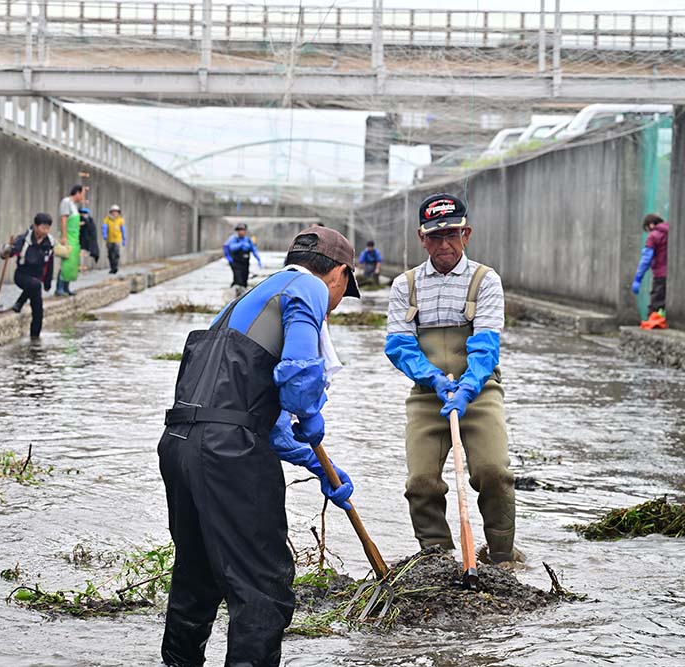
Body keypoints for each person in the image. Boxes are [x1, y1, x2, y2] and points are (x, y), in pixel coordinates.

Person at [158, 226, 361, 667]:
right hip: (229, 454)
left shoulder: (248, 300)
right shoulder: (308, 286)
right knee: (263, 588)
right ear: (339, 274)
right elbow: (300, 372)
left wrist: (320, 465)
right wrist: (308, 413)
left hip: (180, 444)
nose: (341, 301)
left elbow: (250, 417)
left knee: (196, 578)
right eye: (347, 289)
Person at [385, 193, 521, 565]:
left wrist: (467, 387)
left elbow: (486, 344)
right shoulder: (405, 285)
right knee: (421, 482)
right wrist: (432, 378)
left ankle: (501, 556)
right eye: (435, 237)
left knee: (493, 473)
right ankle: (437, 557)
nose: (444, 244)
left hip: (479, 392)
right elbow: (398, 345)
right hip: (428, 394)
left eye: (452, 235)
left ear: (467, 234)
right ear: (421, 238)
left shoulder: (485, 280)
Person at [0, 213, 54, 338]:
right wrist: (6, 251)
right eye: (43, 227)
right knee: (35, 285)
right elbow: (12, 251)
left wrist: (48, 282)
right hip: (22, 275)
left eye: (48, 228)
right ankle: (20, 302)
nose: (45, 231)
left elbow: (50, 263)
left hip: (37, 279)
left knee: (38, 311)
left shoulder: (49, 242)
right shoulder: (24, 239)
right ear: (35, 226)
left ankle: (35, 339)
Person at [631, 213, 669, 319]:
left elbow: (646, 259)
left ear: (651, 225)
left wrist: (638, 278)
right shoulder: (671, 232)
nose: (648, 232)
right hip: (674, 274)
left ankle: (653, 326)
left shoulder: (653, 236)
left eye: (647, 229)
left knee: (655, 304)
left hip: (660, 275)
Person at [56, 184, 85, 296]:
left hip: (75, 237)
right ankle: (59, 288)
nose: (82, 197)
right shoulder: (66, 202)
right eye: (82, 194)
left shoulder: (74, 205)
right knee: (66, 263)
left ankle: (66, 287)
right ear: (77, 192)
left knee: (72, 263)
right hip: (68, 237)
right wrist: (64, 237)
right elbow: (64, 220)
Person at [222, 222, 263, 291]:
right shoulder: (234, 239)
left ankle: (242, 295)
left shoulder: (248, 240)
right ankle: (235, 295)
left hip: (245, 263)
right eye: (239, 230)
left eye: (242, 230)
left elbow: (254, 250)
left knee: (244, 281)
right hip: (236, 263)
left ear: (245, 231)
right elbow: (231, 248)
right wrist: (240, 245)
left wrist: (258, 260)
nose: (241, 232)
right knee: (238, 281)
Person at [102, 204, 125, 274]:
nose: (115, 213)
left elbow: (123, 229)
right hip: (109, 240)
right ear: (111, 212)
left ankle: (115, 267)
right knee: (110, 254)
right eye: (113, 211)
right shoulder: (107, 219)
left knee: (116, 254)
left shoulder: (120, 220)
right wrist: (104, 234)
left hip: (117, 240)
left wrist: (124, 238)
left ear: (118, 212)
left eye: (116, 211)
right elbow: (104, 227)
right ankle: (112, 267)